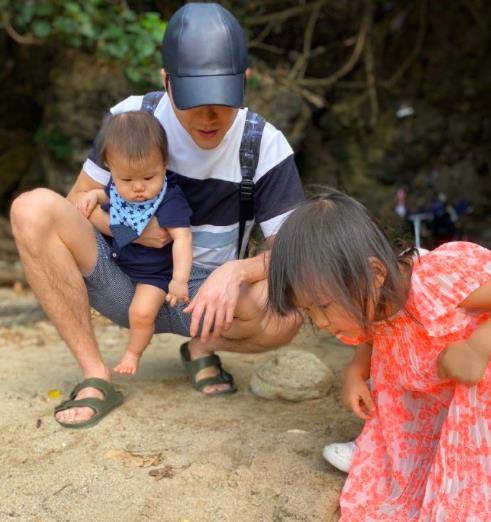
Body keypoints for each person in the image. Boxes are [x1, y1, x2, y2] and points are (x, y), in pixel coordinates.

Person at [10, 3, 304, 428]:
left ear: (244, 82)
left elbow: (292, 252)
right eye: (193, 100)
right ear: (166, 82)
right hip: (125, 277)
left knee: (284, 313)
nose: (208, 117)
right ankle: (95, 374)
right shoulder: (132, 119)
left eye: (221, 100)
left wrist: (237, 272)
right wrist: (130, 228)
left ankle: (201, 347)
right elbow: (80, 198)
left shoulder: (264, 145)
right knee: (31, 208)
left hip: (206, 298)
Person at [267, 190, 491, 520]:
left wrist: (478, 347)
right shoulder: (368, 301)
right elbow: (370, 337)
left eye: (324, 306)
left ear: (375, 273)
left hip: (474, 388)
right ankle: (396, 447)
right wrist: (355, 373)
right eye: (307, 310)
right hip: (426, 401)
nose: (321, 321)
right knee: (389, 480)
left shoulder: (437, 279)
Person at [74, 111, 192, 376]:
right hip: (119, 262)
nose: (138, 188)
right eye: (127, 179)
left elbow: (182, 238)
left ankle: (133, 352)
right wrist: (92, 196)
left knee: (140, 313)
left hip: (155, 274)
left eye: (149, 178)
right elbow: (106, 195)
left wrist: (180, 280)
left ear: (164, 163)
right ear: (110, 167)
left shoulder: (168, 198)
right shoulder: (117, 187)